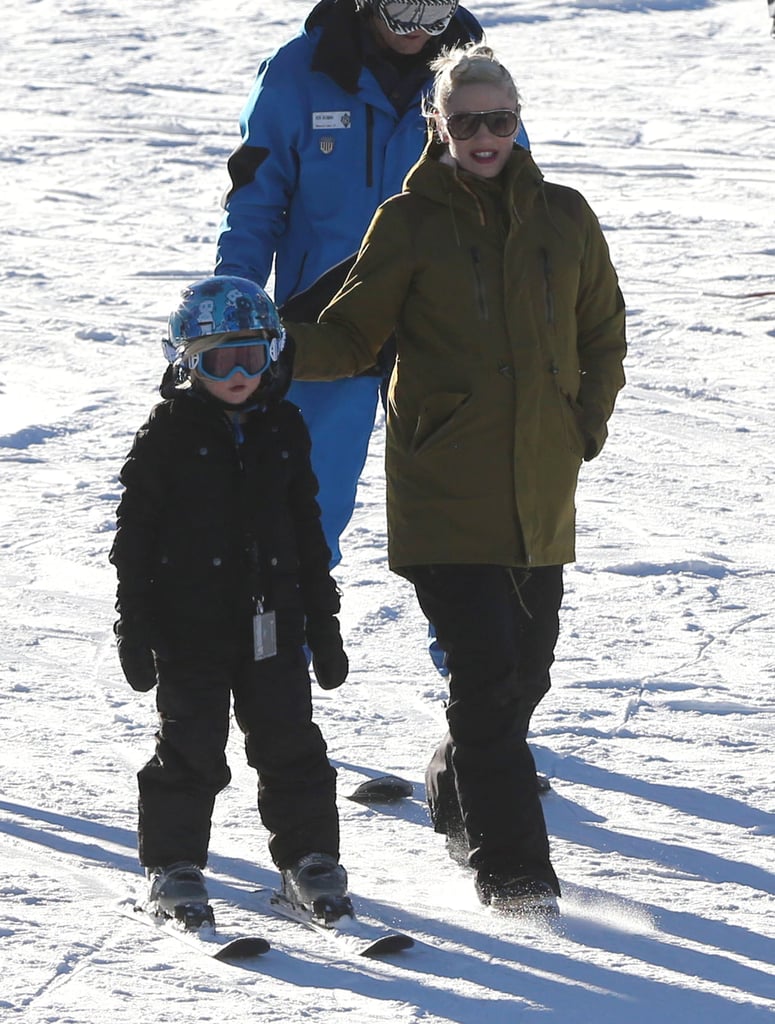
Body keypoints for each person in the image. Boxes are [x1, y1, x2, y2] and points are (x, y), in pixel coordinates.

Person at [282, 44, 627, 914]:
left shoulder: (564, 215)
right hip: (444, 487)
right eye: (465, 120)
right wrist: (265, 354)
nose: (483, 135)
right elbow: (354, 336)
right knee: (483, 672)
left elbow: (602, 335)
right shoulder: (407, 222)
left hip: (538, 490)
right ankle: (513, 876)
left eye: (498, 119)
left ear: (518, 119)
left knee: (525, 675)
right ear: (437, 126)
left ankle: (453, 777)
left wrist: (579, 427)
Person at [215, 1, 529, 588]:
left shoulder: (469, 81)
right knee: (302, 508)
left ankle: (478, 676)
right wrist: (236, 298)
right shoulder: (297, 73)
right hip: (327, 325)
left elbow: (515, 195)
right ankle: (281, 664)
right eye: (404, 11)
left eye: (435, 14)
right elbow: (256, 198)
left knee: (463, 518)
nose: (420, 32)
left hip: (442, 326)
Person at [109, 276, 352, 928]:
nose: (239, 374)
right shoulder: (165, 435)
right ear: (188, 361)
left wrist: (322, 624)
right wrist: (133, 624)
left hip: (272, 623)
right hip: (188, 629)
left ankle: (309, 861)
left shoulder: (284, 426)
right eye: (221, 360)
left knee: (290, 743)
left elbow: (306, 529)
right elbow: (133, 539)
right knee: (191, 747)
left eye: (252, 356)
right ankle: (174, 867)